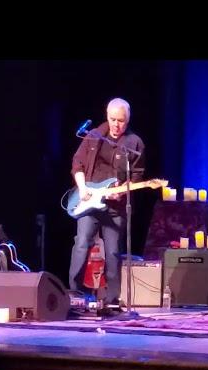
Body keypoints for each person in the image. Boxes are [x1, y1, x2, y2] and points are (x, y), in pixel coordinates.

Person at [68, 97, 146, 310]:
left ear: (127, 121)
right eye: (113, 119)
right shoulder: (93, 135)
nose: (116, 125)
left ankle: (112, 299)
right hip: (88, 200)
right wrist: (83, 188)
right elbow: (78, 164)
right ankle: (74, 293)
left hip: (115, 206)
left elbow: (137, 177)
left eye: (121, 121)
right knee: (82, 241)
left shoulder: (135, 143)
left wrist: (122, 193)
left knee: (112, 251)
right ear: (107, 116)